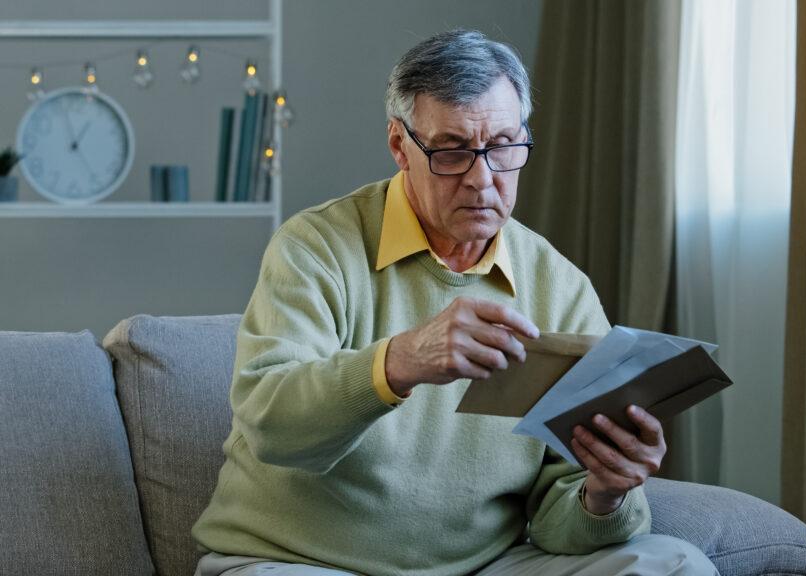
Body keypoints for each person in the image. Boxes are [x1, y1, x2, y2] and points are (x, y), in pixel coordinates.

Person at [192, 29, 718, 576]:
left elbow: (559, 525)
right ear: (401, 146)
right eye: (452, 151)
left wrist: (603, 494)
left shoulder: (558, 286)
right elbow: (269, 425)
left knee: (677, 564)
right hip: (302, 562)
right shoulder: (315, 247)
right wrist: (400, 361)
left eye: (504, 146)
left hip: (485, 567)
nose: (482, 179)